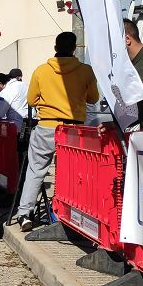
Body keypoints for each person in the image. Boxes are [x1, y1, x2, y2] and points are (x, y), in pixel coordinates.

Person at [16, 32, 99, 232]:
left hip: (47, 126)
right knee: (72, 173)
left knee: (36, 170)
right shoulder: (85, 71)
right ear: (74, 48)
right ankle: (68, 214)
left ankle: (25, 214)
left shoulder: (41, 71)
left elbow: (31, 100)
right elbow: (93, 98)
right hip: (73, 128)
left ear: (55, 48)